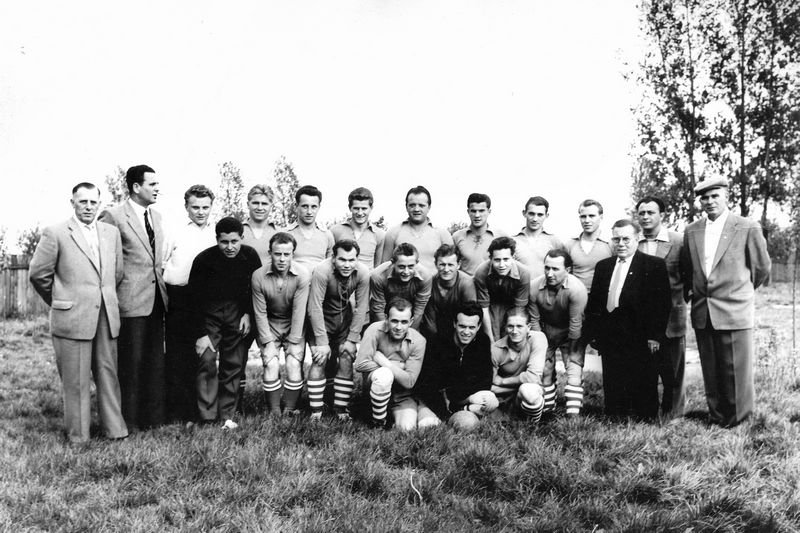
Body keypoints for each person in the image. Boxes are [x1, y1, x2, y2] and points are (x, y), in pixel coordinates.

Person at [29, 182, 128, 443]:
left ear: (99, 204)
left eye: (93, 202)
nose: (88, 207)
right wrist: (63, 301)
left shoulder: (110, 233)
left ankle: (115, 431)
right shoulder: (56, 233)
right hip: (72, 317)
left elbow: (117, 273)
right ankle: (79, 436)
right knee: (76, 380)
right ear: (72, 202)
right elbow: (39, 274)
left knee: (108, 374)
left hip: (106, 316)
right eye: (83, 201)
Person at [684, 178, 771, 427]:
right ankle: (716, 416)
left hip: (734, 310)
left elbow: (761, 268)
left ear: (726, 197)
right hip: (703, 310)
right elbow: (687, 268)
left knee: (735, 370)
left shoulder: (747, 227)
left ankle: (738, 420)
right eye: (704, 198)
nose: (710, 201)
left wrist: (739, 291)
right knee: (711, 369)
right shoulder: (692, 230)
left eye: (715, 196)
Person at [98, 164, 168, 430]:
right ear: (136, 187)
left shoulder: (157, 217)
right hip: (129, 303)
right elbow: (106, 262)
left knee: (154, 363)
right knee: (131, 364)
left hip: (156, 301)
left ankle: (153, 420)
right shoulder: (114, 216)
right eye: (152, 184)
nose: (157, 188)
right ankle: (128, 420)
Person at [585, 219, 671, 421]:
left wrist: (655, 336)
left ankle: (645, 416)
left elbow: (662, 303)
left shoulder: (653, 265)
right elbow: (595, 302)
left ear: (637, 239)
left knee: (643, 377)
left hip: (640, 333)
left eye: (626, 239)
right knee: (613, 376)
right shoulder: (604, 266)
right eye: (616, 239)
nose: (621, 244)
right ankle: (616, 414)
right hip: (611, 333)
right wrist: (595, 334)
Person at [189, 217, 262, 429]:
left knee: (233, 363)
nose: (230, 247)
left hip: (237, 313)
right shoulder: (203, 260)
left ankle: (227, 414)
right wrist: (201, 333)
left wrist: (248, 313)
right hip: (209, 314)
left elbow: (256, 289)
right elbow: (193, 299)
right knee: (206, 359)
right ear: (217, 240)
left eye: (234, 241)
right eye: (224, 242)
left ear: (242, 238)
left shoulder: (250, 256)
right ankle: (207, 415)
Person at [162, 184, 217, 423]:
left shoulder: (215, 233)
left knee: (204, 355)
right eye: (195, 207)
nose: (201, 212)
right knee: (178, 355)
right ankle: (178, 412)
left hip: (208, 300)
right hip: (180, 298)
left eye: (205, 207)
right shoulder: (175, 232)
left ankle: (202, 410)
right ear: (186, 207)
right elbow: (161, 263)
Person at [636, 196, 688, 419]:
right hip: (640, 320)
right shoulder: (632, 241)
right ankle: (645, 412)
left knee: (673, 370)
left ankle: (673, 414)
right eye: (642, 213)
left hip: (672, 318)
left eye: (651, 212)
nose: (646, 217)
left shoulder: (678, 241)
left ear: (662, 215)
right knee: (644, 368)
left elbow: (688, 276)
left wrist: (678, 303)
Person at [307, 239, 370, 420]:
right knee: (320, 358)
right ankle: (316, 411)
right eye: (342, 259)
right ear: (333, 258)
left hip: (343, 320)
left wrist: (352, 339)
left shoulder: (363, 273)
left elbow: (361, 307)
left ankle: (341, 409)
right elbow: (314, 307)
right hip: (321, 320)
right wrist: (322, 341)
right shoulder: (322, 270)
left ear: (357, 259)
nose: (347, 265)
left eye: (351, 260)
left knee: (346, 356)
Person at [251, 232, 310, 415]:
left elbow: (299, 311)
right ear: (270, 253)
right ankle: (274, 410)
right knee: (270, 363)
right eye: (277, 254)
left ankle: (290, 409)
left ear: (293, 254)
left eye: (287, 254)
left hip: (294, 323)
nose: (282, 259)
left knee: (293, 362)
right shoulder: (258, 276)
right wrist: (267, 342)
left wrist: (294, 341)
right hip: (269, 323)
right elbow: (260, 312)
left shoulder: (302, 275)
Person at [415, 303, 498, 425]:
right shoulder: (438, 342)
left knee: (491, 401)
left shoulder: (482, 341)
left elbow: (485, 380)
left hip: (464, 400)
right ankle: (449, 417)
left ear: (479, 326)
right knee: (428, 425)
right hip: (436, 401)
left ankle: (464, 412)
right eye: (462, 326)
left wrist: (465, 399)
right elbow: (428, 386)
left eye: (471, 327)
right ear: (454, 323)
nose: (466, 332)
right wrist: (445, 411)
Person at [528, 249, 588, 416]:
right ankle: (547, 410)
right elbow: (534, 321)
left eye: (555, 269)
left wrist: (574, 353)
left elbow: (576, 324)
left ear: (567, 270)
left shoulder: (577, 289)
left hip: (571, 331)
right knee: (545, 368)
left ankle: (573, 415)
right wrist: (541, 348)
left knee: (574, 368)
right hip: (546, 331)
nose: (549, 273)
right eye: (547, 268)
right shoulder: (534, 287)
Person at [355, 298, 428, 430]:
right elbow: (360, 364)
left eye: (404, 322)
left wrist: (385, 362)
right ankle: (378, 423)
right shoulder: (374, 329)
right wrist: (400, 366)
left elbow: (409, 381)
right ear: (386, 318)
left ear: (411, 321)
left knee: (406, 428)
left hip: (401, 396)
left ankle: (394, 416)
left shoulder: (418, 341)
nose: (399, 327)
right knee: (384, 375)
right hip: (374, 390)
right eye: (394, 321)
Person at [490, 308, 549, 423]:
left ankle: (533, 424)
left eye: (519, 326)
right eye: (510, 326)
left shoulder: (538, 338)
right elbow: (489, 385)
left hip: (522, 394)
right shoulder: (496, 349)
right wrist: (517, 386)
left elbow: (533, 377)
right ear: (505, 327)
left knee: (529, 391)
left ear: (529, 327)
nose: (514, 331)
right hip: (502, 398)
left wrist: (502, 381)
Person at [380, 185, 453, 272]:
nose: (416, 209)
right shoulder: (393, 233)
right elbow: (385, 267)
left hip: (433, 281)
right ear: (406, 206)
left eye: (421, 205)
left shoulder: (443, 235)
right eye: (412, 205)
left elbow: (451, 267)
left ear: (429, 207)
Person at [473, 236, 531, 342]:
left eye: (506, 259)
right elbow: (484, 308)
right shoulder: (481, 272)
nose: (501, 265)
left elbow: (519, 308)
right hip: (490, 307)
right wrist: (490, 340)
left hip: (513, 306)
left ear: (513, 257)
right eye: (497, 260)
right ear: (490, 258)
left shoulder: (524, 273)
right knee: (491, 339)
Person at [419, 244, 477, 342]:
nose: (446, 269)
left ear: (458, 265)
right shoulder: (431, 282)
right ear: (436, 264)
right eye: (442, 264)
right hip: (437, 329)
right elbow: (430, 321)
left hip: (460, 329)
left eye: (450, 265)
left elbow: (471, 315)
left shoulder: (466, 283)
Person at [370, 242, 432, 330]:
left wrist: (409, 333)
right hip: (386, 315)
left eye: (411, 266)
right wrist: (387, 332)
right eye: (401, 267)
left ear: (417, 263)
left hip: (410, 316)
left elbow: (419, 310)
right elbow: (378, 309)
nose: (406, 272)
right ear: (393, 263)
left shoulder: (425, 276)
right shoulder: (378, 276)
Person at [329, 187, 386, 268]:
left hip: (367, 275)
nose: (360, 213)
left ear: (371, 208)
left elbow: (378, 267)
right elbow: (330, 261)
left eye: (364, 209)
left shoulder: (379, 235)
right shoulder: (335, 231)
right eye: (356, 208)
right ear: (350, 208)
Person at [566, 199, 613, 294]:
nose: (587, 220)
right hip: (576, 296)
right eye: (583, 216)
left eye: (591, 216)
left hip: (602, 297)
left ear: (601, 217)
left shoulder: (611, 243)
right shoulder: (570, 244)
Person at [451, 193, 505, 275]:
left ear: (489, 211)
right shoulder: (457, 237)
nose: (477, 215)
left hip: (492, 283)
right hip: (466, 282)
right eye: (473, 211)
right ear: (468, 211)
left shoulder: (500, 236)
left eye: (481, 211)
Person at [284, 185, 334, 272]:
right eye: (305, 206)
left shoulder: (327, 235)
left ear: (319, 207)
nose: (309, 212)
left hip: (320, 280)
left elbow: (332, 267)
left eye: (313, 207)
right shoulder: (286, 234)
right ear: (296, 206)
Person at [513, 196, 564, 279]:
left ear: (546, 215)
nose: (535, 219)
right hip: (521, 287)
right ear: (524, 213)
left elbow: (563, 270)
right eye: (531, 214)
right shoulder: (513, 241)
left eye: (540, 215)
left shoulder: (554, 241)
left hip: (545, 287)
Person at [242, 184, 279, 266]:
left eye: (264, 204)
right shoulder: (238, 232)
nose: (259, 208)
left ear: (271, 206)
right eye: (255, 203)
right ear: (248, 204)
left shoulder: (279, 233)